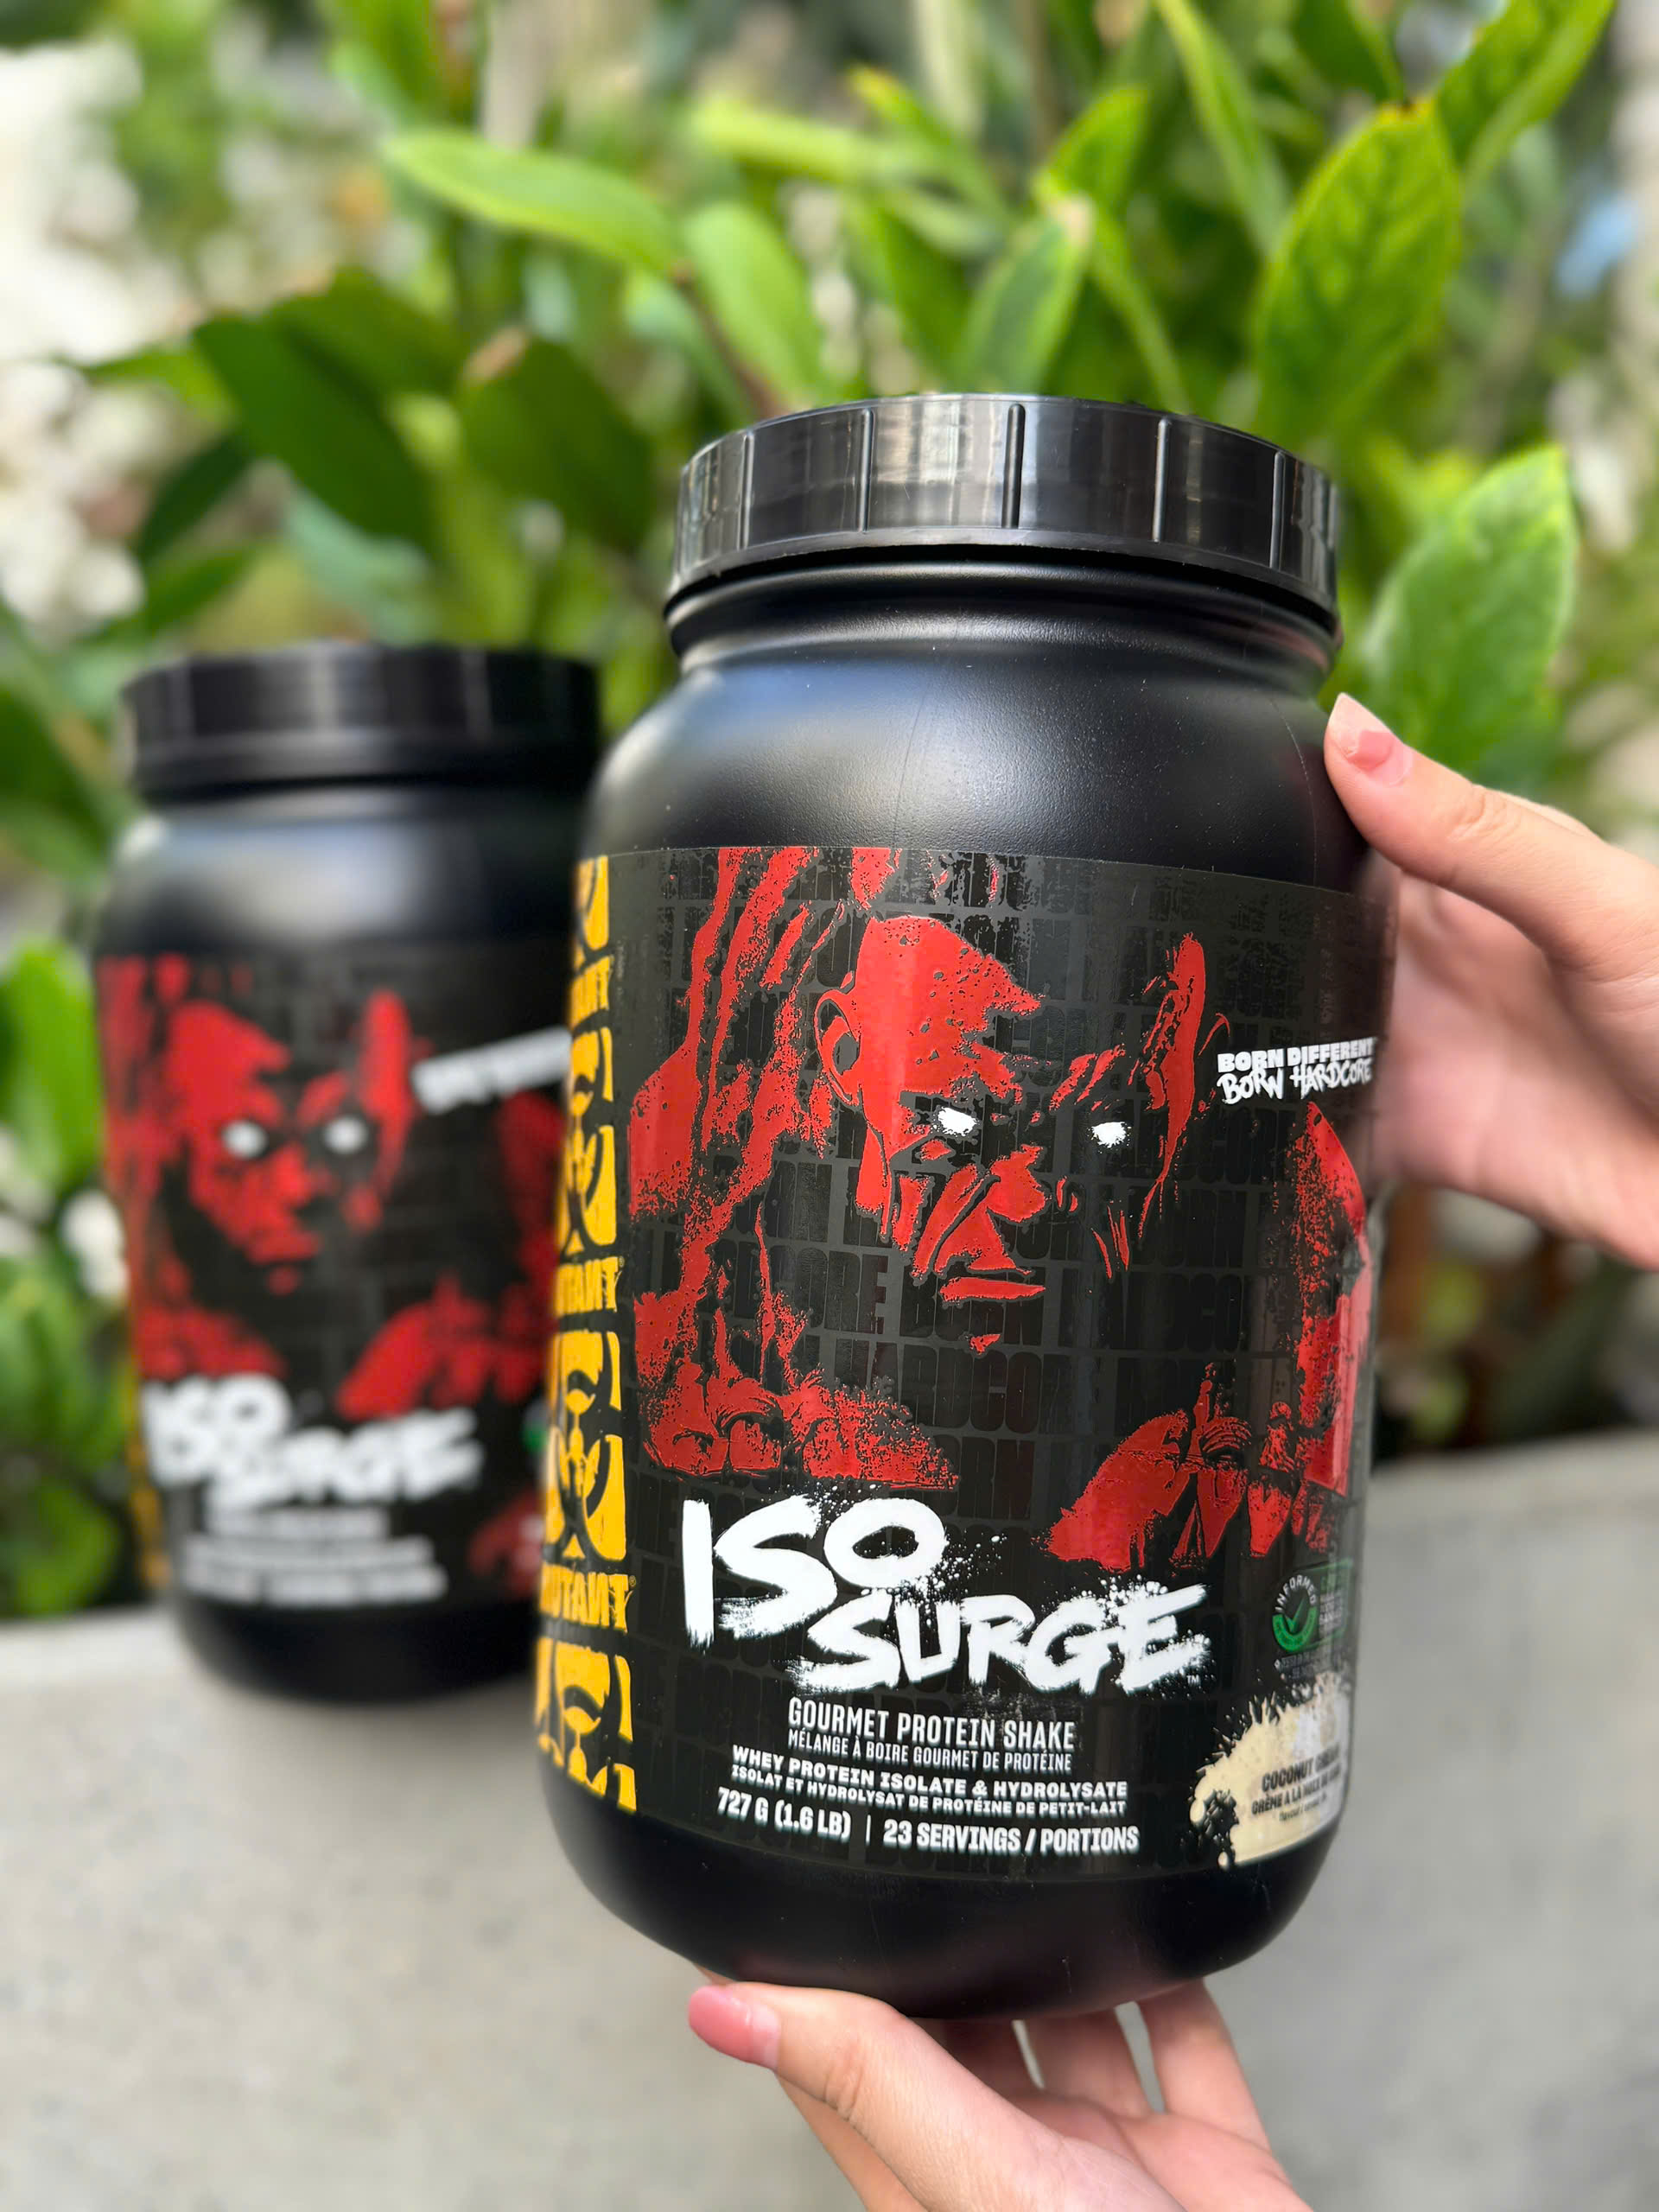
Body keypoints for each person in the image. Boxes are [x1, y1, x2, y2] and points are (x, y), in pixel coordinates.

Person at [684, 693, 1659, 2211]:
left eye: (1097, 1145)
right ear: (832, 1066)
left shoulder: (1201, 1436)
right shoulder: (723, 1363)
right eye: (956, 1129)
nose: (1029, 1207)